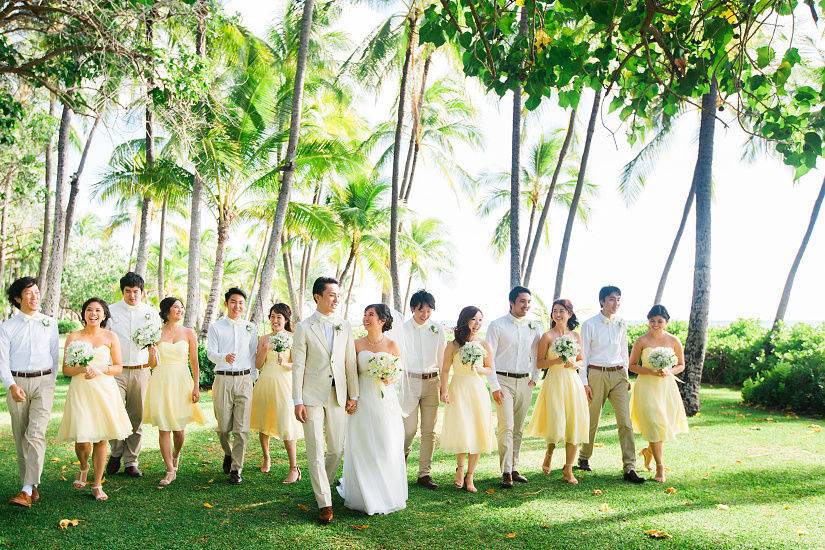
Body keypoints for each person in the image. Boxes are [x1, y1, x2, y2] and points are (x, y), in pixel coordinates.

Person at [292, 277, 358, 525]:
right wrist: (297, 399)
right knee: (315, 448)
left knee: (336, 449)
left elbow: (349, 362)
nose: (336, 299)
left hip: (338, 395)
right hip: (311, 395)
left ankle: (323, 487)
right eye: (331, 294)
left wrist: (354, 394)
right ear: (318, 297)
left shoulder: (345, 326)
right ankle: (325, 503)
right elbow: (298, 365)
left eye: (338, 295)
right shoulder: (304, 327)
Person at [57, 298, 132, 501]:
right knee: (82, 440)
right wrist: (82, 368)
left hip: (104, 390)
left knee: (101, 438)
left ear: (104, 314)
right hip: (81, 390)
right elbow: (66, 370)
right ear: (83, 314)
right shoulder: (74, 337)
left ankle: (97, 484)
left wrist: (99, 370)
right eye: (89, 310)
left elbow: (118, 367)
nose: (93, 313)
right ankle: (83, 466)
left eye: (98, 310)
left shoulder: (110, 337)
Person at [338, 304, 408, 515]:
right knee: (363, 444)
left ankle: (385, 491)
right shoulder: (356, 344)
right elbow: (349, 372)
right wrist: (352, 397)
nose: (366, 318)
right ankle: (363, 494)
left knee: (386, 443)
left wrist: (389, 377)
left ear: (382, 320)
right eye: (365, 314)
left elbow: (398, 373)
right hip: (363, 399)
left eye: (371, 315)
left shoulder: (393, 345)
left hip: (385, 401)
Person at [0, 277, 59, 508]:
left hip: (44, 383)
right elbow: (2, 362)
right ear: (18, 298)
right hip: (17, 385)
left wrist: (50, 382)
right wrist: (11, 386)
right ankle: (31, 485)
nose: (34, 297)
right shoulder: (7, 327)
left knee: (35, 435)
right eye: (29, 293)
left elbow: (54, 356)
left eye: (36, 292)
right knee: (21, 436)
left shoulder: (49, 322)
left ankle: (25, 490)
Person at [577, 286, 645, 483]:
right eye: (612, 299)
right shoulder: (589, 324)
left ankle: (629, 467)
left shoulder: (621, 323)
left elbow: (624, 351)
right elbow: (584, 356)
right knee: (592, 419)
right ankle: (583, 457)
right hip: (596, 375)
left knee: (625, 422)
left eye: (618, 299)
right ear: (602, 302)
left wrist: (626, 376)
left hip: (618, 376)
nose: (616, 303)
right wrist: (584, 382)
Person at [485, 286, 542, 488]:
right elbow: (488, 358)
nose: (526, 305)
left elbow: (536, 355)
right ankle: (506, 471)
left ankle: (515, 467)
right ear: (511, 302)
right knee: (506, 426)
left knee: (518, 428)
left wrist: (535, 377)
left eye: (528, 302)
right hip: (503, 381)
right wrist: (494, 386)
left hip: (525, 382)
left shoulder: (534, 327)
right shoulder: (497, 325)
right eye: (522, 302)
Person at [143, 297, 204, 487]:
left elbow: (194, 362)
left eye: (181, 307)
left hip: (181, 380)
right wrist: (152, 354)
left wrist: (196, 385)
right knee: (164, 426)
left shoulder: (189, 333)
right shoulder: (155, 333)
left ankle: (176, 454)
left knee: (179, 429)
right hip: (161, 379)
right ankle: (169, 469)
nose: (180, 310)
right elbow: (152, 364)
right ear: (166, 311)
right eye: (175, 307)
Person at [527, 299, 589, 484]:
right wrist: (557, 361)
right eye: (555, 311)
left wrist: (573, 363)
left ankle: (568, 469)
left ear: (569, 313)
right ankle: (549, 451)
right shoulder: (547, 337)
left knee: (573, 423)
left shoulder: (576, 337)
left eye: (561, 311)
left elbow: (581, 361)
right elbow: (539, 363)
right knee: (556, 420)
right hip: (554, 382)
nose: (558, 314)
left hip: (572, 382)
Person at [107, 272, 160, 478]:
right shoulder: (111, 311)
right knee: (115, 413)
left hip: (141, 370)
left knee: (136, 417)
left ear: (142, 292)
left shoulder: (150, 313)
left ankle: (131, 461)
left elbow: (155, 340)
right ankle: (116, 452)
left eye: (135, 291)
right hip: (117, 371)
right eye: (128, 291)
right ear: (123, 292)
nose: (132, 295)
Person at [629, 305, 689, 483]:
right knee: (654, 422)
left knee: (661, 424)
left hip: (666, 387)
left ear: (666, 323)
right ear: (648, 321)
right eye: (652, 321)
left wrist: (669, 370)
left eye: (659, 321)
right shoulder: (641, 341)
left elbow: (681, 365)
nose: (655, 324)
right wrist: (650, 371)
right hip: (646, 386)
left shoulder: (674, 341)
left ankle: (649, 451)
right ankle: (660, 467)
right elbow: (632, 365)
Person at [439, 306, 495, 494]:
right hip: (459, 388)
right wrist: (444, 390)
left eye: (480, 320)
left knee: (477, 429)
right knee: (462, 428)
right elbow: (445, 369)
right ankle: (460, 468)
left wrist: (480, 370)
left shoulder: (484, 344)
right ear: (465, 320)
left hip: (477, 390)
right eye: (473, 319)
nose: (477, 324)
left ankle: (470, 475)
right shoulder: (453, 345)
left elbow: (489, 369)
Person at [206, 287, 258, 484]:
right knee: (223, 427)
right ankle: (228, 453)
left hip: (245, 380)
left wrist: (252, 378)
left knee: (242, 428)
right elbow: (211, 353)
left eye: (241, 303)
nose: (237, 306)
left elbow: (253, 354)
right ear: (226, 303)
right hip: (223, 379)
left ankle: (237, 469)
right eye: (234, 302)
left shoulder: (250, 327)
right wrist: (223, 357)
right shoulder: (216, 327)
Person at [250, 303, 302, 483]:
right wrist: (263, 350)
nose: (275, 320)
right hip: (265, 382)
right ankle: (266, 457)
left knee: (286, 423)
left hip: (284, 384)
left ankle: (294, 467)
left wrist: (284, 363)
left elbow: (297, 365)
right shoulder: (264, 338)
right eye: (272, 316)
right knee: (264, 421)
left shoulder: (293, 338)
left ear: (286, 319)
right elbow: (257, 365)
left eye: (279, 317)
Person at [401, 290, 446, 490]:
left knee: (429, 430)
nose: (425, 314)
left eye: (428, 310)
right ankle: (399, 463)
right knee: (408, 429)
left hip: (432, 382)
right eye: (421, 310)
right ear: (413, 308)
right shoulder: (402, 329)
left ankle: (424, 473)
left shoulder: (438, 329)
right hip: (409, 381)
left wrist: (444, 386)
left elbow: (442, 358)